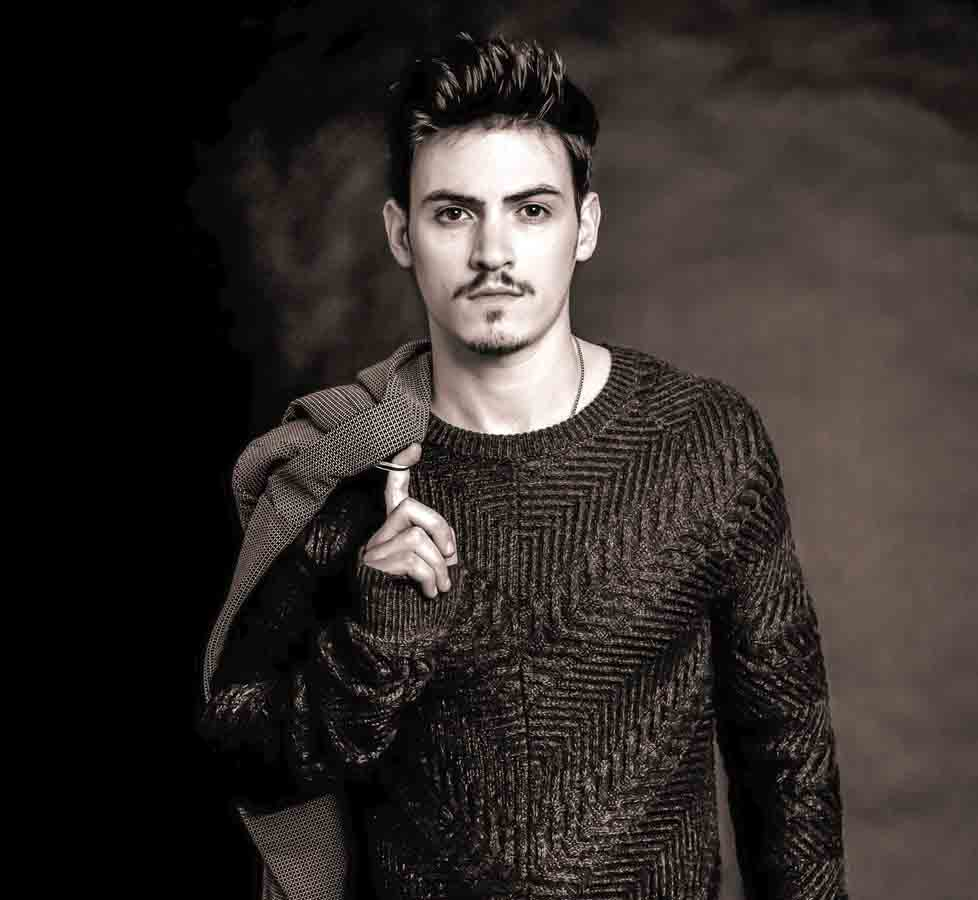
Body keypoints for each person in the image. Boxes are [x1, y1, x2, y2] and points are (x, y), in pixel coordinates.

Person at [200, 32, 848, 900]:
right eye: (453, 213)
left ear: (586, 227)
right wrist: (373, 645)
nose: (492, 253)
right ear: (400, 233)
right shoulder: (345, 466)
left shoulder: (703, 440)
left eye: (532, 210)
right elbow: (239, 754)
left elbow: (787, 753)